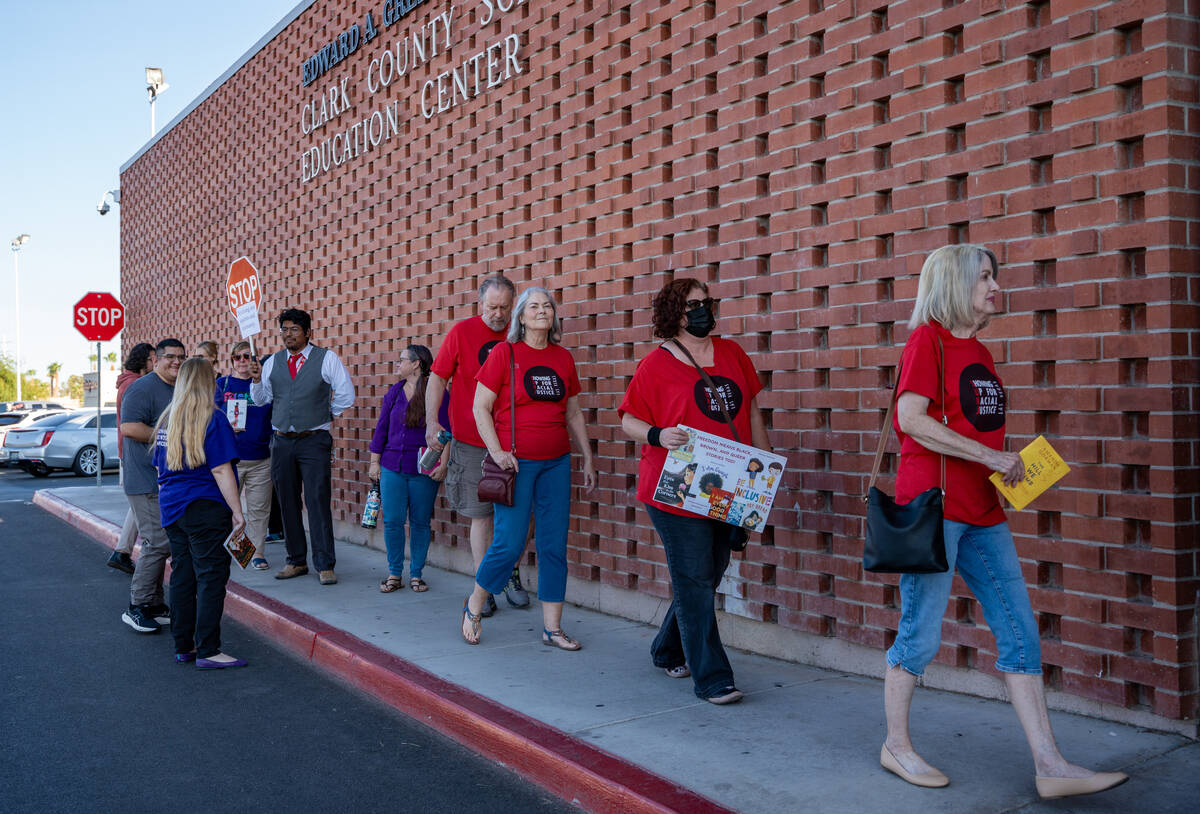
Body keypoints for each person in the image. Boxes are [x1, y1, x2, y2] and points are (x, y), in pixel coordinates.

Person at [880, 244, 1127, 799]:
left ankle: (1051, 765)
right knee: (919, 632)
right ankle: (896, 745)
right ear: (953, 284)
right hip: (935, 510)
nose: (995, 287)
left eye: (994, 277)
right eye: (984, 277)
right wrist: (992, 458)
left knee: (1019, 631)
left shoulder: (981, 352)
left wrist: (1009, 467)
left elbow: (974, 430)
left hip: (984, 509)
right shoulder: (929, 341)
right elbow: (911, 419)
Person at [619, 278, 769, 705]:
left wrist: (767, 463)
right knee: (695, 578)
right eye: (692, 305)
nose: (703, 310)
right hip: (674, 488)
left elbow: (752, 409)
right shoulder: (655, 365)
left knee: (710, 572)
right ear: (674, 314)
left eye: (707, 302)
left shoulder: (733, 353)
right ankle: (713, 678)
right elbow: (628, 419)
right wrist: (658, 434)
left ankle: (668, 647)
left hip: (730, 483)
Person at [460, 287, 595, 648]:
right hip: (517, 465)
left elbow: (574, 412)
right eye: (533, 306)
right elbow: (479, 408)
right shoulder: (505, 353)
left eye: (547, 305)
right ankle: (474, 603)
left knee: (554, 545)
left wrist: (587, 456)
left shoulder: (563, 358)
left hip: (557, 463)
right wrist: (498, 451)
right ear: (520, 316)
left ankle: (553, 628)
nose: (541, 311)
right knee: (509, 542)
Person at [425, 275, 525, 615]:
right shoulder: (462, 333)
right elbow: (438, 377)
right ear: (480, 303)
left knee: (520, 516)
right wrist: (432, 421)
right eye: (492, 307)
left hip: (515, 440)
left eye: (504, 308)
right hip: (471, 442)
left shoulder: (520, 332)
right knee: (481, 516)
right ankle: (485, 585)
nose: (498, 315)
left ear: (514, 303)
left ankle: (510, 572)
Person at [153, 357, 247, 669]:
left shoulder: (168, 419)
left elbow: (159, 467)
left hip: (172, 507)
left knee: (183, 575)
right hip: (206, 507)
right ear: (206, 383)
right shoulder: (213, 418)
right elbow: (221, 470)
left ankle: (184, 646)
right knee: (211, 577)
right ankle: (208, 650)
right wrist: (238, 512)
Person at [250, 308, 355, 585]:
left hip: (314, 440)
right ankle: (295, 560)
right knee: (287, 501)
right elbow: (263, 400)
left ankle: (324, 564)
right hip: (282, 440)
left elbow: (346, 393)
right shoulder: (272, 362)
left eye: (294, 329)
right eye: (284, 329)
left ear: (308, 332)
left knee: (317, 500)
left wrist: (326, 413)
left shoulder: (326, 358)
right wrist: (255, 380)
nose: (288, 334)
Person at [368, 345, 450, 592]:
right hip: (392, 466)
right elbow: (381, 429)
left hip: (424, 469)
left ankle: (416, 574)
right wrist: (374, 462)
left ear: (416, 364)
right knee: (392, 521)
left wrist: (444, 464)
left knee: (420, 522)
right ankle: (394, 573)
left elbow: (446, 431)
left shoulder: (438, 393)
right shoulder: (394, 392)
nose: (398, 364)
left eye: (401, 360)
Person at [119, 338, 186, 633]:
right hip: (144, 478)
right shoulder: (141, 388)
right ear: (156, 359)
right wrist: (168, 438)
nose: (176, 362)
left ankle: (155, 604)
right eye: (170, 356)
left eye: (181, 357)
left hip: (169, 480)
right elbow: (129, 427)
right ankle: (137, 606)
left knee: (164, 542)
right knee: (156, 542)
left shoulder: (178, 389)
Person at [216, 341, 274, 570]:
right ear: (231, 360)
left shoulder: (263, 386)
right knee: (229, 509)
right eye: (238, 357)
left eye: (247, 357)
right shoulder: (221, 385)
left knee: (259, 508)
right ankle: (236, 551)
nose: (242, 361)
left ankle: (257, 553)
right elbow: (211, 417)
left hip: (261, 457)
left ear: (255, 360)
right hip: (231, 459)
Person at [107, 342, 155, 574]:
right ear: (142, 361)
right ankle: (123, 551)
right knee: (143, 502)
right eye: (151, 359)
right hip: (136, 452)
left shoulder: (127, 382)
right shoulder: (135, 386)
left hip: (129, 452)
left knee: (137, 504)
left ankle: (122, 551)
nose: (154, 363)